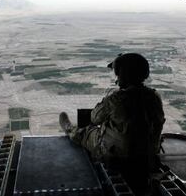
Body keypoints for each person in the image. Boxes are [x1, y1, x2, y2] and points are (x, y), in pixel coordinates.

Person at [59, 53, 165, 194]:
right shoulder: (155, 97)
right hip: (148, 157)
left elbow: (94, 117)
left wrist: (110, 99)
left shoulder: (117, 99)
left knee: (87, 133)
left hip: (118, 157)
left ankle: (69, 129)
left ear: (123, 75)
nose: (116, 79)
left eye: (118, 75)